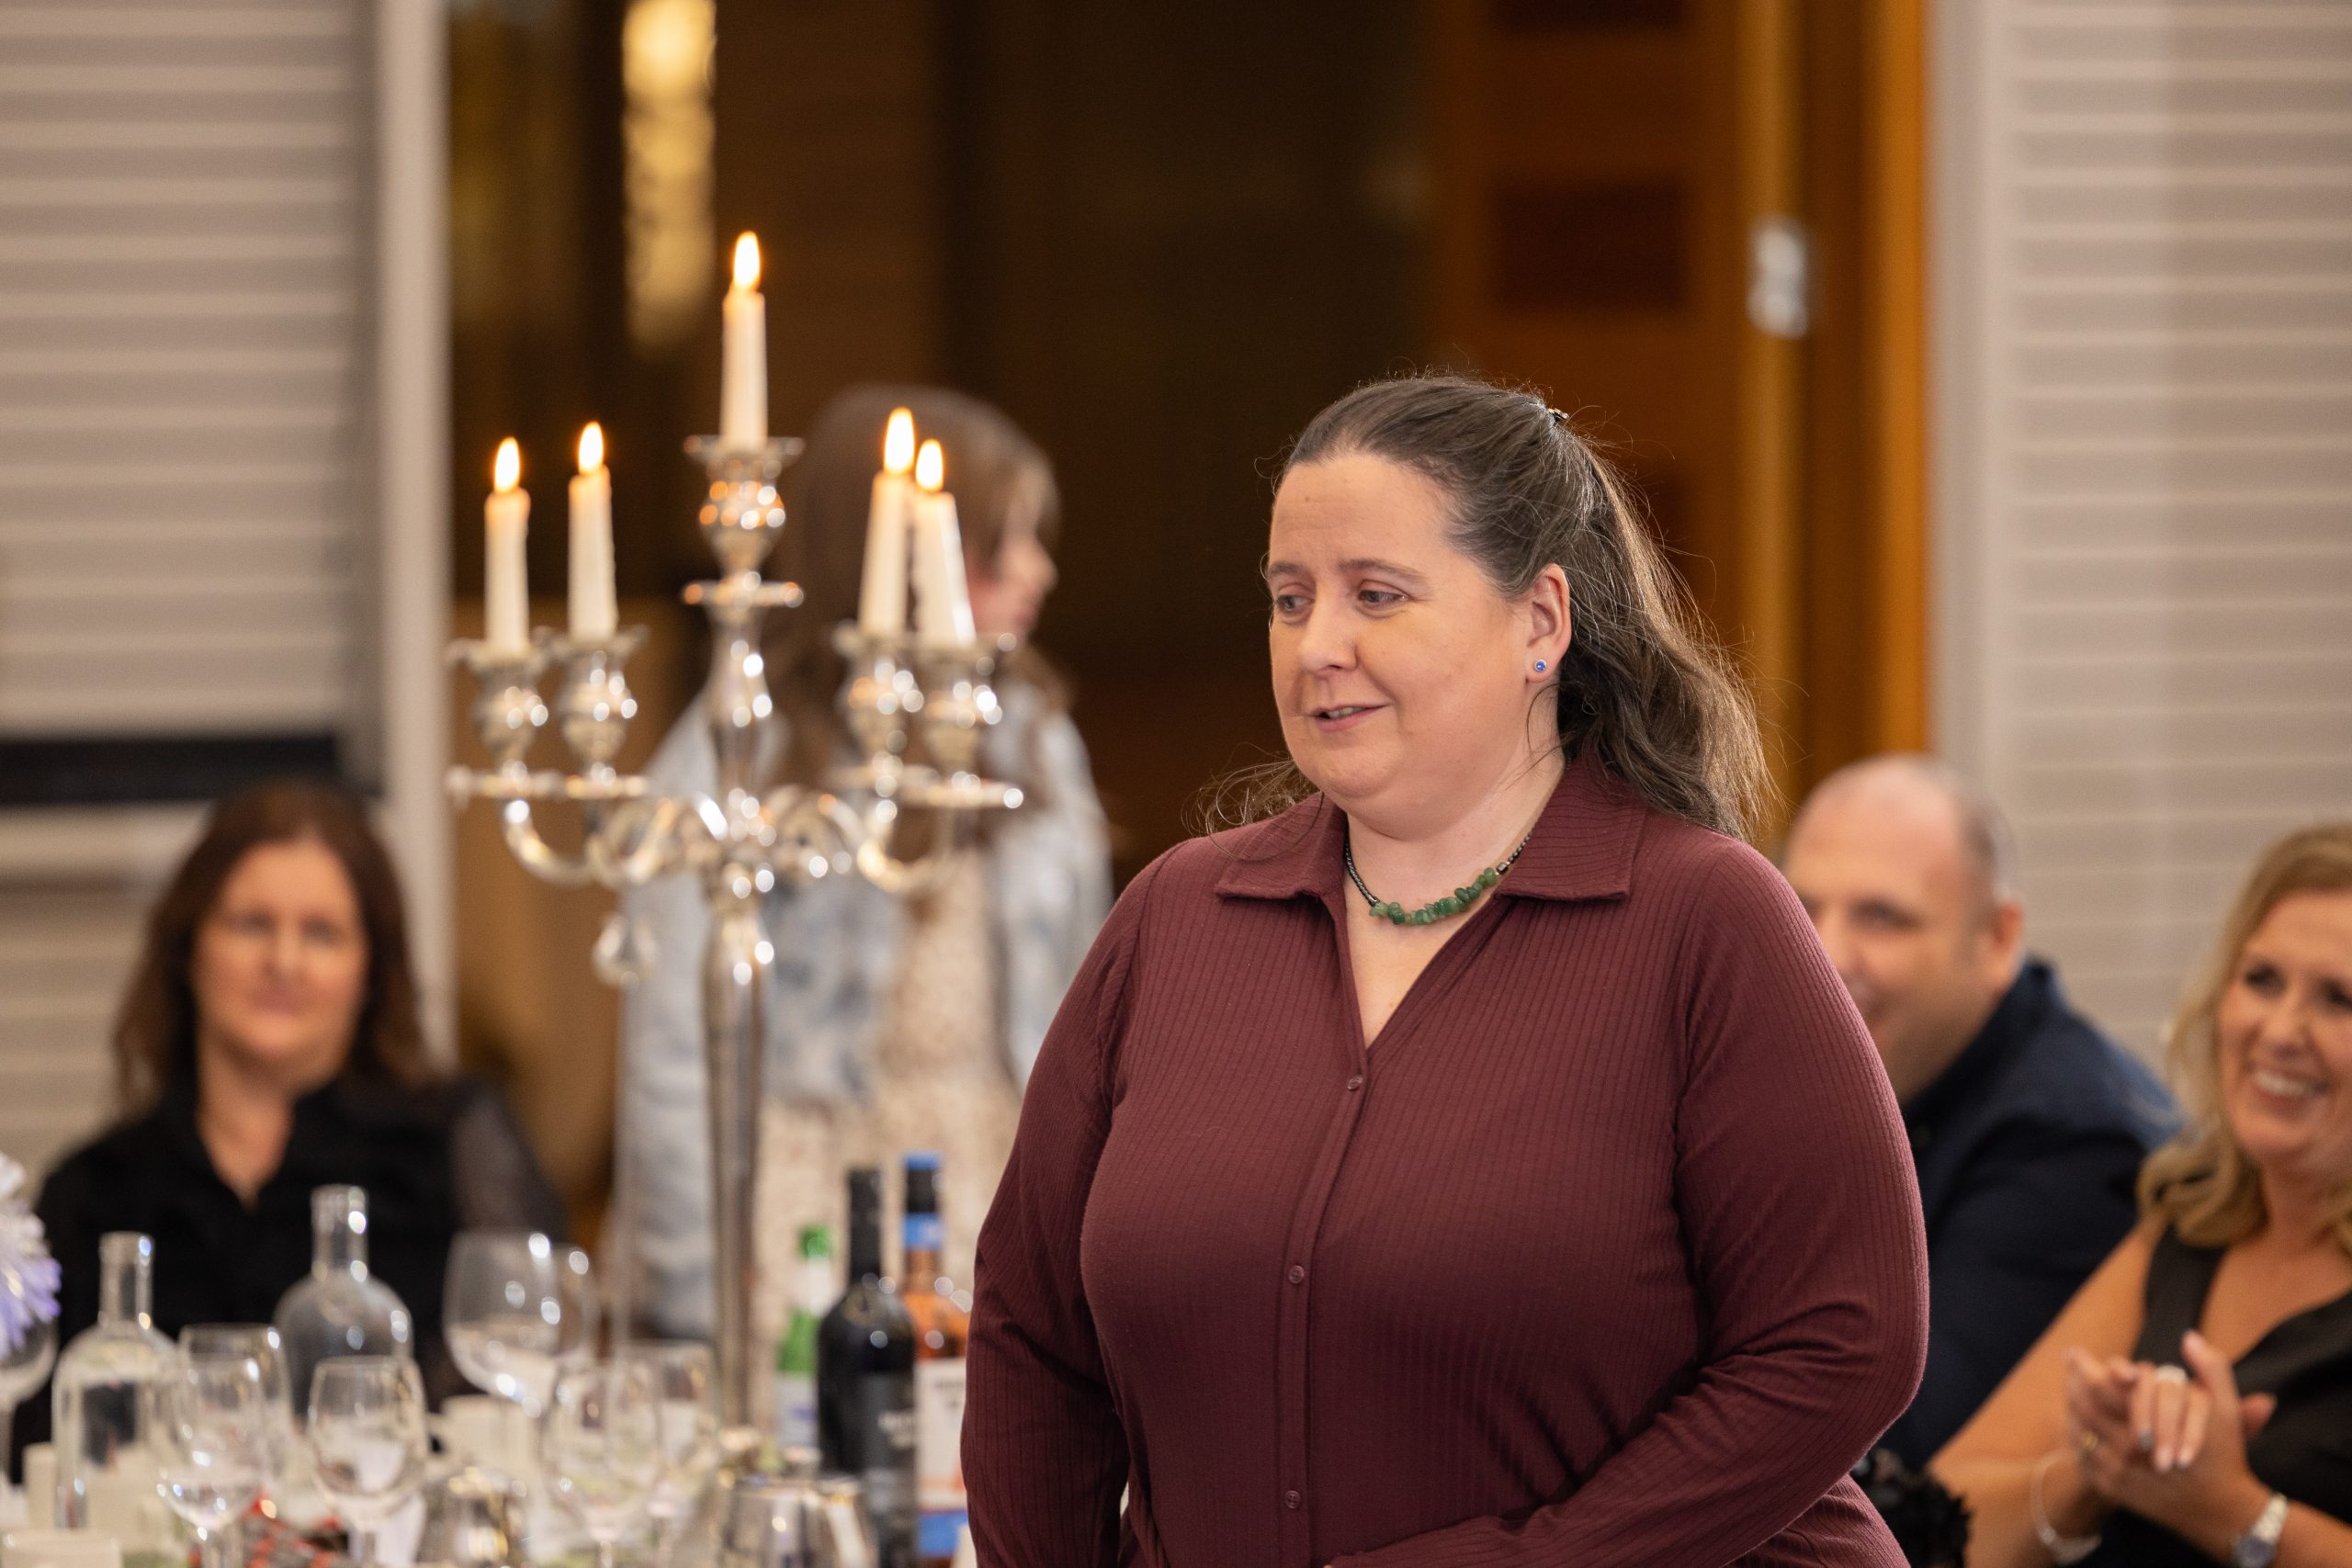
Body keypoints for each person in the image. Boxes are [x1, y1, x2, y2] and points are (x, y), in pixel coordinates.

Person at [965, 373, 1929, 1565]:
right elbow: (1030, 1333)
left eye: (1376, 595)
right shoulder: (1175, 918)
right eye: (1289, 598)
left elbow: (1844, 1340)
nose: (1318, 646)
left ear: (1541, 622)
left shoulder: (1706, 921)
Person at [620, 384, 1111, 1337]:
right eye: (1000, 541)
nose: (1037, 569)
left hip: (990, 1171)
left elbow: (1092, 1010)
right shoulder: (752, 748)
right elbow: (675, 1040)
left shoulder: (1033, 742)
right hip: (808, 1187)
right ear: (895, 552)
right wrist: (701, 1280)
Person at [19, 780, 565, 1449]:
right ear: (190, 947)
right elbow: (35, 1445)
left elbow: (528, 1395)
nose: (283, 961)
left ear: (369, 971)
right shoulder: (92, 1187)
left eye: (321, 933)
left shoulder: (455, 1142)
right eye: (253, 924)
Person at [1934, 823, 2352, 1565]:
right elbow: (1946, 1515)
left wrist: (2234, 1511)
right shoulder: (2194, 1218)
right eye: (2262, 979)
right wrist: (2102, 1465)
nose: (2281, 1030)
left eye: (2339, 999)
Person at [1783, 755, 2176, 1465]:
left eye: (1881, 917)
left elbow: (1894, 1445)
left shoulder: (2071, 1144)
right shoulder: (1848, 1075)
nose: (1824, 954)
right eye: (1801, 910)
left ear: (1997, 938)